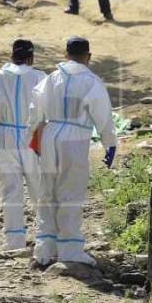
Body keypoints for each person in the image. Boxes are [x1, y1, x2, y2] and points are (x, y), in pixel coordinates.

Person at [28, 36, 117, 268]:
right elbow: (103, 115)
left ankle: (44, 249)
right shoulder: (91, 81)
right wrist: (109, 143)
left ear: (65, 54)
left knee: (48, 191)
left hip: (50, 134)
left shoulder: (51, 78)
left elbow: (34, 108)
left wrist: (34, 134)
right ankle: (69, 249)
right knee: (71, 192)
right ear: (89, 56)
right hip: (75, 138)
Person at [0, 39, 46, 251]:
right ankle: (46, 238)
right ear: (31, 57)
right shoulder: (40, 77)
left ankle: (14, 241)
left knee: (11, 190)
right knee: (39, 188)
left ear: (12, 56)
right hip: (32, 136)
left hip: (6, 135)